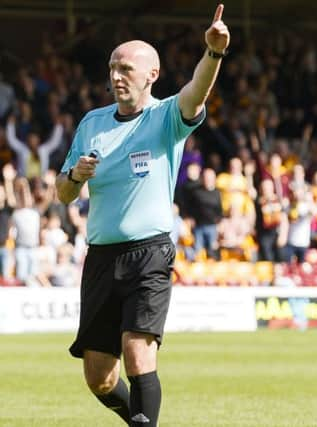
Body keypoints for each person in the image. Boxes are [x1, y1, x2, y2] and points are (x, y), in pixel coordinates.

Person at [55, 5, 229, 426]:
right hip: (100, 258)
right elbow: (62, 194)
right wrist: (76, 176)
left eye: (126, 68)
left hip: (149, 253)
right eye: (113, 67)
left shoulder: (166, 116)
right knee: (99, 376)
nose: (116, 76)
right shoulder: (92, 123)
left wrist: (214, 54)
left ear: (151, 74)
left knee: (137, 351)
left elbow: (197, 93)